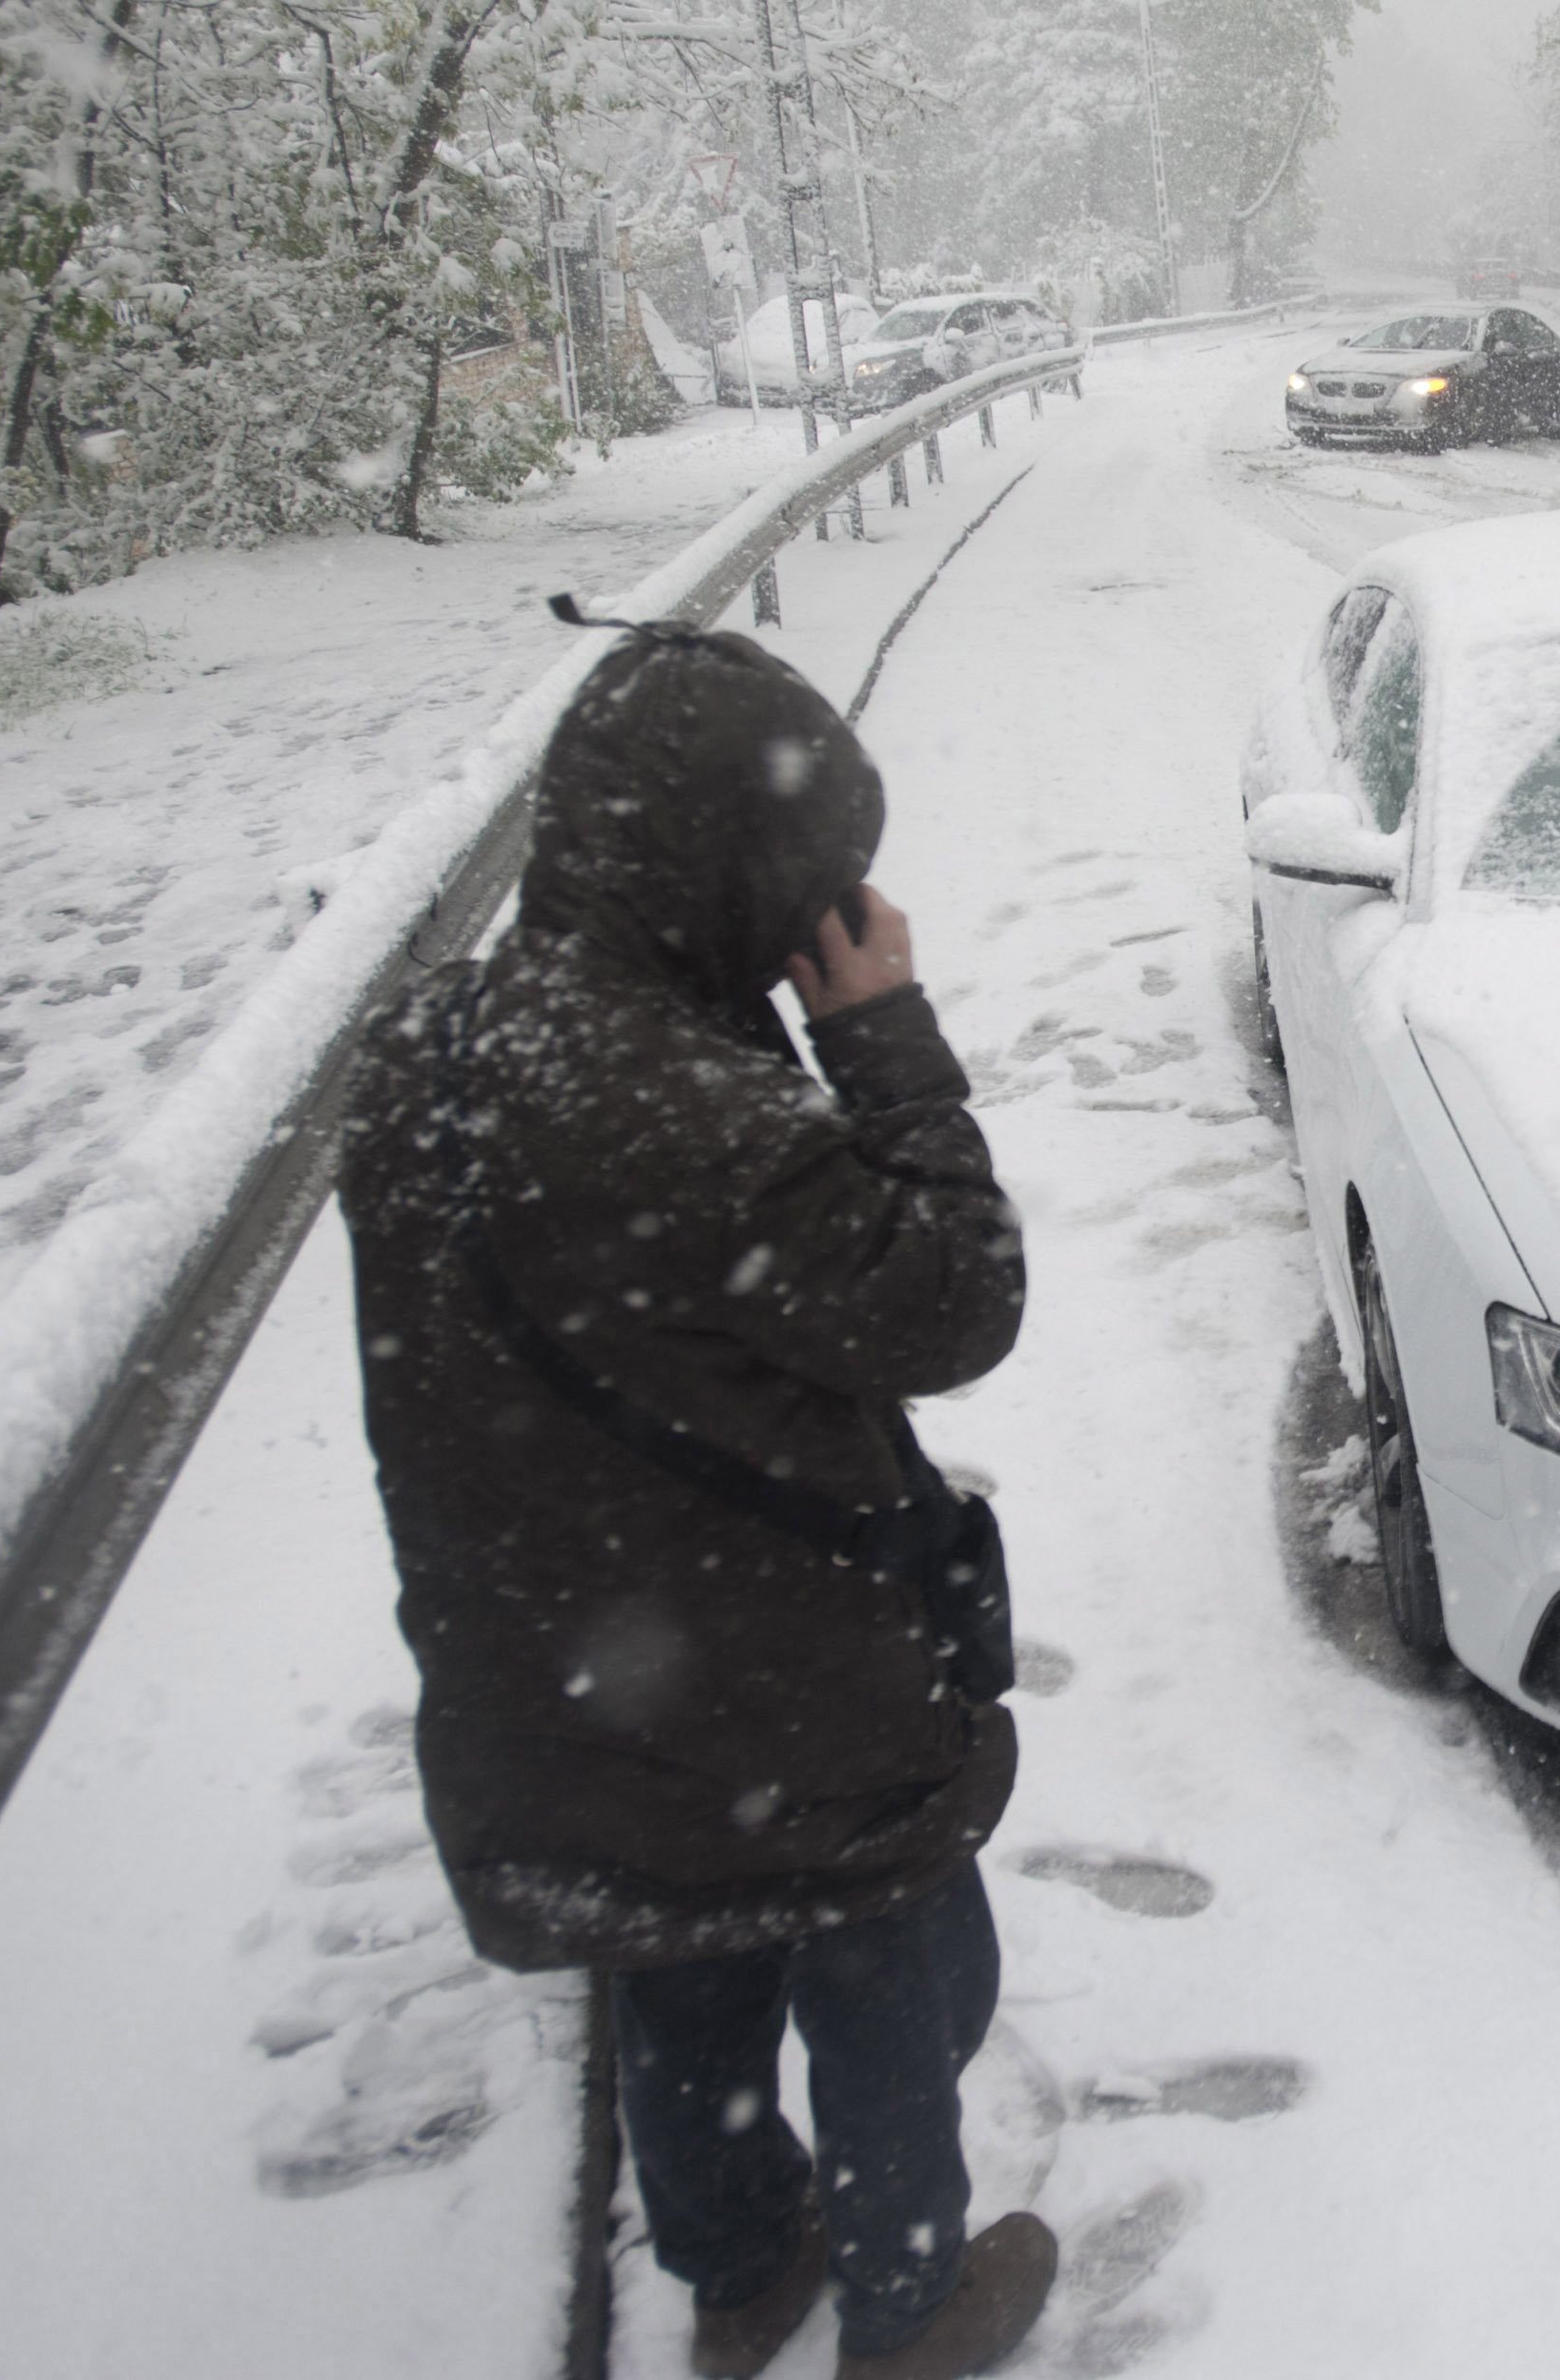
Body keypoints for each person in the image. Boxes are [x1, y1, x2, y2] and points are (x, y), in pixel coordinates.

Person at [339, 612, 1055, 2380]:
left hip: (561, 1661)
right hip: (784, 1669)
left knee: (673, 1950)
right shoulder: (704, 1118)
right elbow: (956, 1302)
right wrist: (880, 1038)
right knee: (888, 1959)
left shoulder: (423, 1052)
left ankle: (740, 2272)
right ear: (739, 875)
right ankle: (907, 2307)